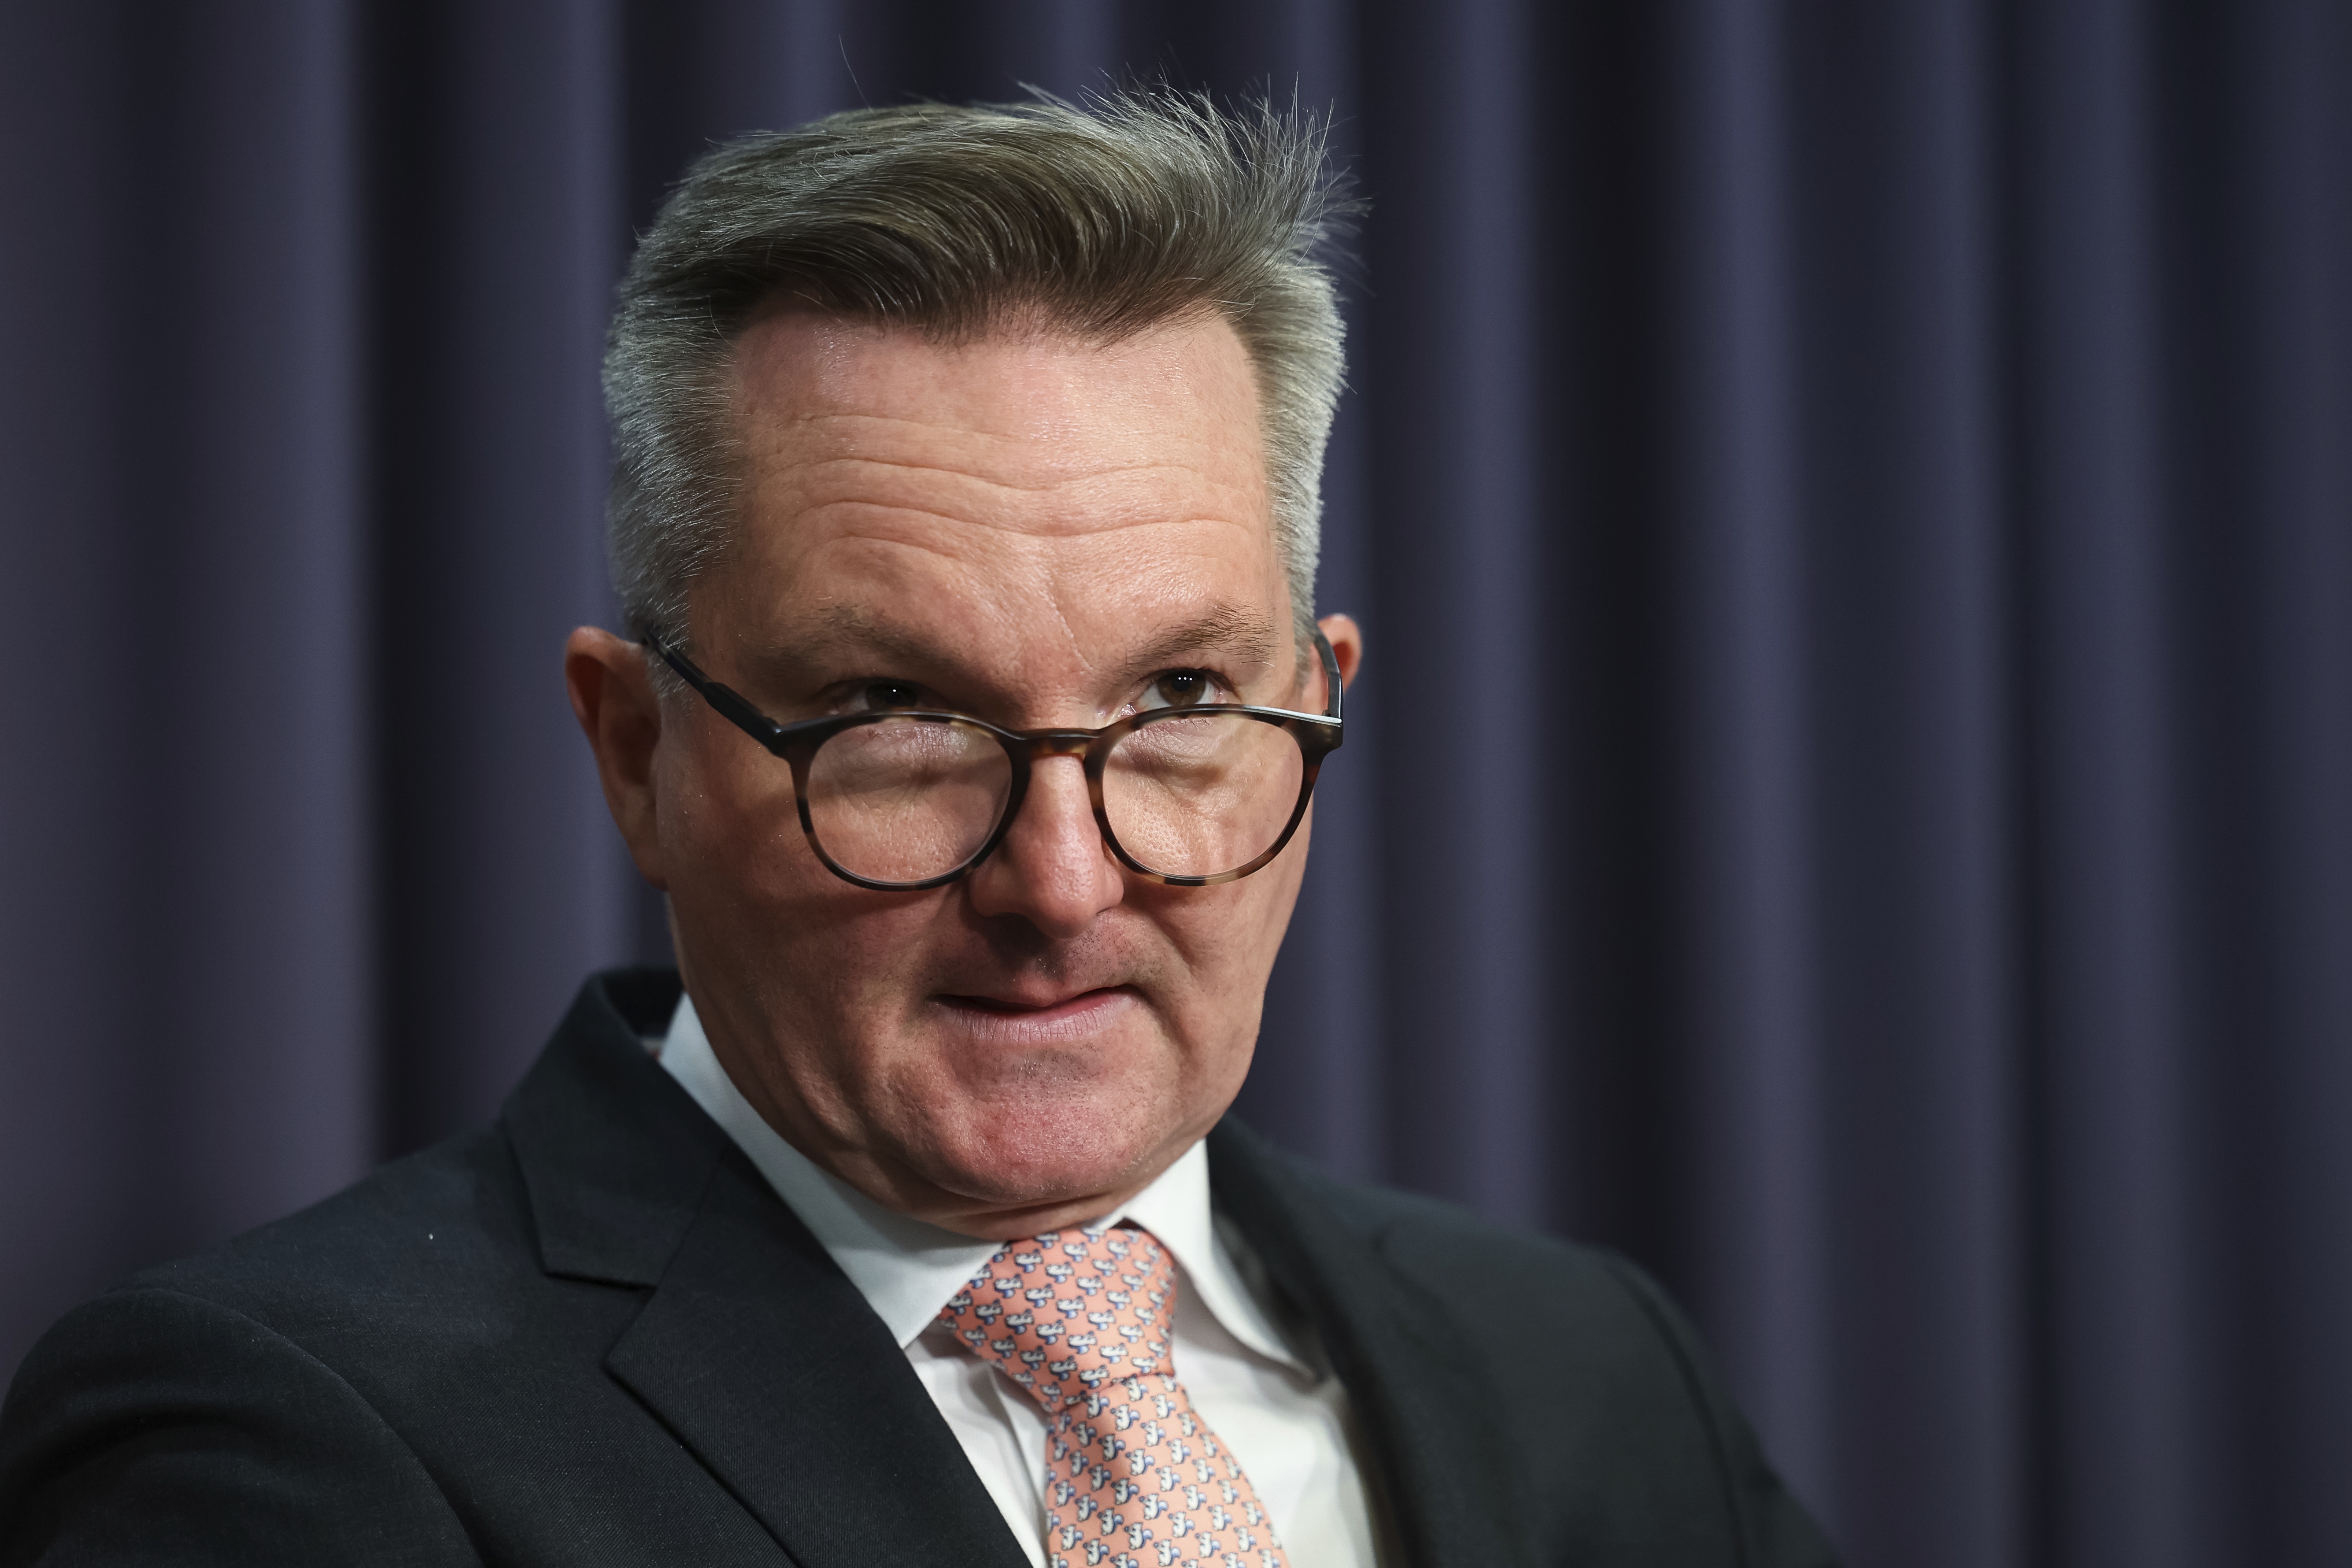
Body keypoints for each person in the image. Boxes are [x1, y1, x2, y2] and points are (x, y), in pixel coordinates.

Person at [0, 92, 1835, 1567]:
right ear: (637, 750)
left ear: (1321, 707)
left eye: (1181, 706)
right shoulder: (281, 1434)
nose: (1061, 881)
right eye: (899, 719)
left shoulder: (1588, 1366)